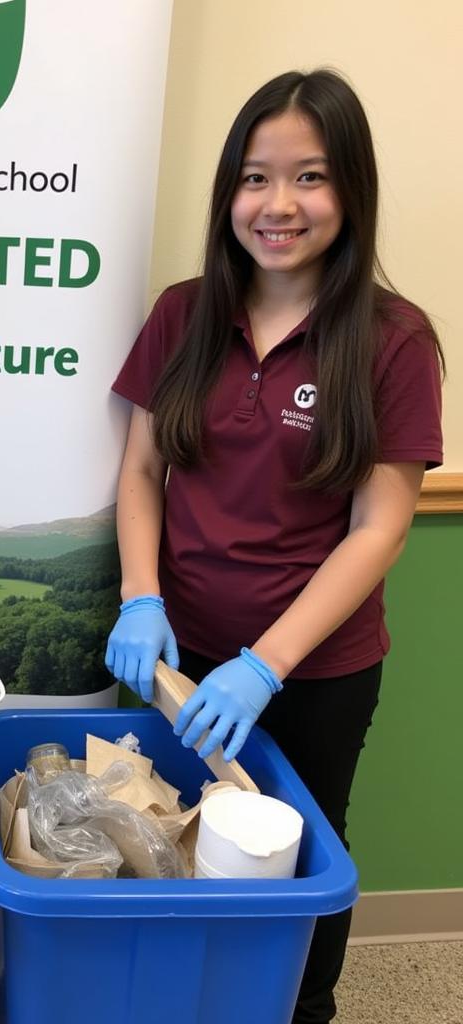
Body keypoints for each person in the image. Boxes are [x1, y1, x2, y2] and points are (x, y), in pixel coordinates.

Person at [105, 69, 443, 1024]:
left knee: (299, 855)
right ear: (229, 193)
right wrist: (141, 595)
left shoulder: (392, 340)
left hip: (313, 673)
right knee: (171, 841)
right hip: (181, 656)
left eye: (311, 177)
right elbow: (141, 473)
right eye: (256, 178)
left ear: (353, 192)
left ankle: (305, 1009)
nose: (279, 204)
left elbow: (378, 528)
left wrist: (267, 664)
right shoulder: (183, 313)